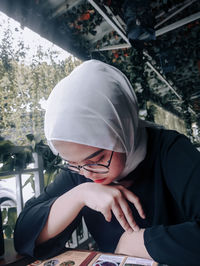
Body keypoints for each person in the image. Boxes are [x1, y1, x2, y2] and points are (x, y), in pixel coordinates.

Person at [14, 60, 200, 265]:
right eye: (71, 162)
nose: (86, 173)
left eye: (98, 159)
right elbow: (23, 234)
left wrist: (139, 243)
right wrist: (79, 195)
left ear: (124, 129)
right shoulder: (80, 169)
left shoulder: (171, 151)